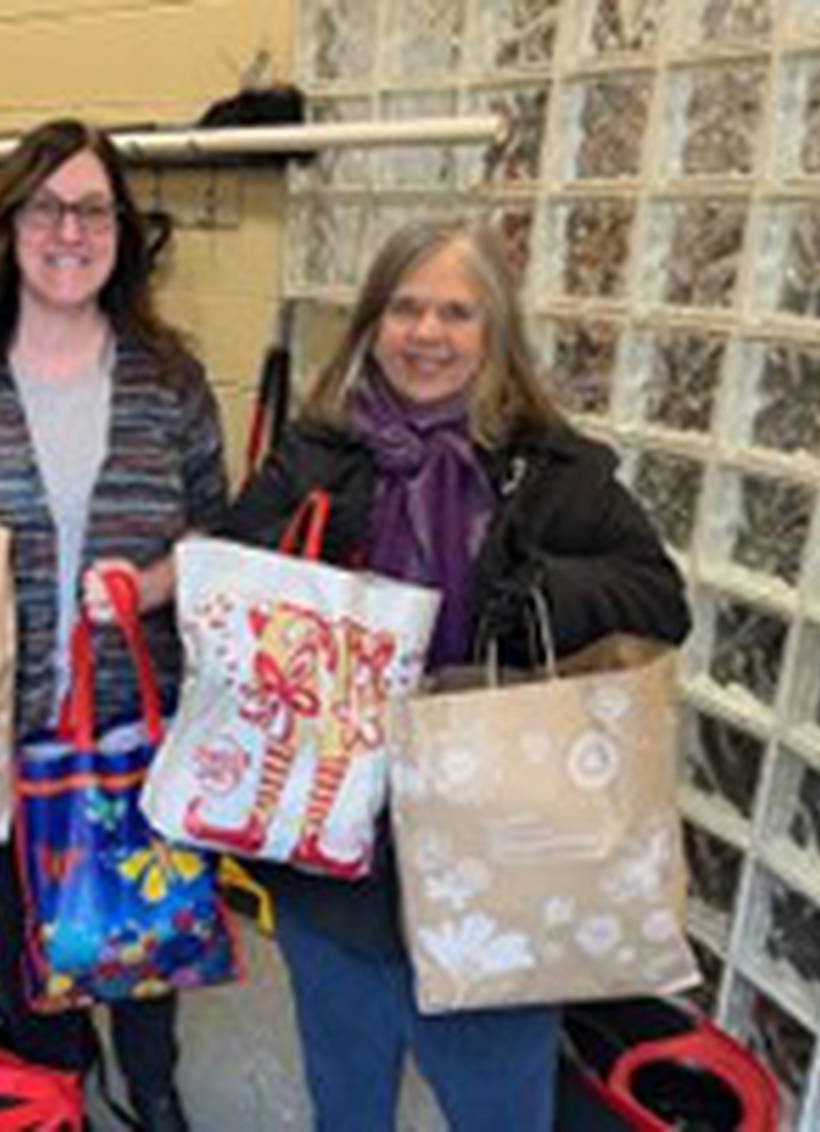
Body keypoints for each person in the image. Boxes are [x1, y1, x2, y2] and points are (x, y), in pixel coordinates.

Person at [224, 217, 690, 1131]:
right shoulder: (319, 453)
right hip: (339, 858)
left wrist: (538, 592)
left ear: (495, 335)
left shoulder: (555, 473)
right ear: (371, 324)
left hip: (497, 855)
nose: (427, 334)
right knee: (346, 1097)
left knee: (496, 1104)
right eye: (405, 307)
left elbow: (658, 599)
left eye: (456, 312)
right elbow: (234, 569)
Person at [0, 118, 228, 1132]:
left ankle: (151, 1088)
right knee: (30, 929)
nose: (71, 229)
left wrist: (149, 584)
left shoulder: (170, 376)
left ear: (123, 231)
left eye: (94, 208)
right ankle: (54, 1093)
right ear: (11, 222)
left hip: (138, 713)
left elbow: (217, 529)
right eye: (47, 206)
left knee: (148, 926)